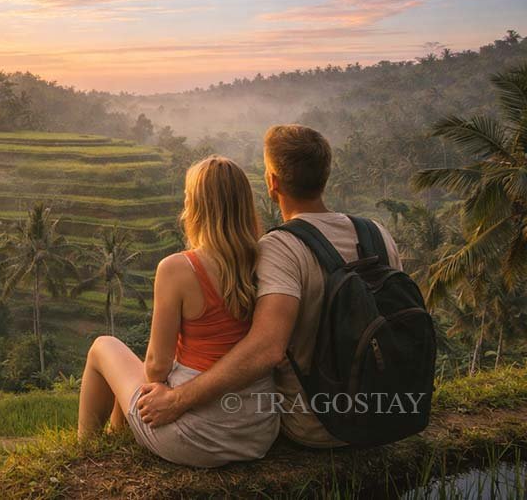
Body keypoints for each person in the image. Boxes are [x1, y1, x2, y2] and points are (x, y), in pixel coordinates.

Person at [135, 124, 402, 448]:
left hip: (318, 423)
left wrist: (177, 400)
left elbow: (267, 350)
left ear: (272, 182)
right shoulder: (377, 233)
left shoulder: (280, 248)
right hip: (386, 412)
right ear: (326, 174)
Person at [76, 155, 279, 467]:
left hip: (197, 436)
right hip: (257, 431)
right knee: (131, 382)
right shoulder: (268, 259)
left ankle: (84, 453)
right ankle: (119, 437)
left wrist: (159, 384)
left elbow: (156, 367)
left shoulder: (178, 268)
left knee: (103, 347)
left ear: (195, 207)